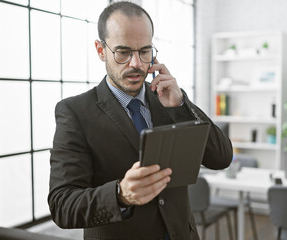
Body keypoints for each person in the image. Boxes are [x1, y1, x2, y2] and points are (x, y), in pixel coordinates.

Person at [48, 2, 232, 240]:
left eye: (145, 51)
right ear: (100, 50)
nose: (136, 64)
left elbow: (222, 158)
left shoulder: (169, 99)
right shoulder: (75, 112)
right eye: (123, 52)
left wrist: (181, 105)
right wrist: (120, 194)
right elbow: (62, 205)